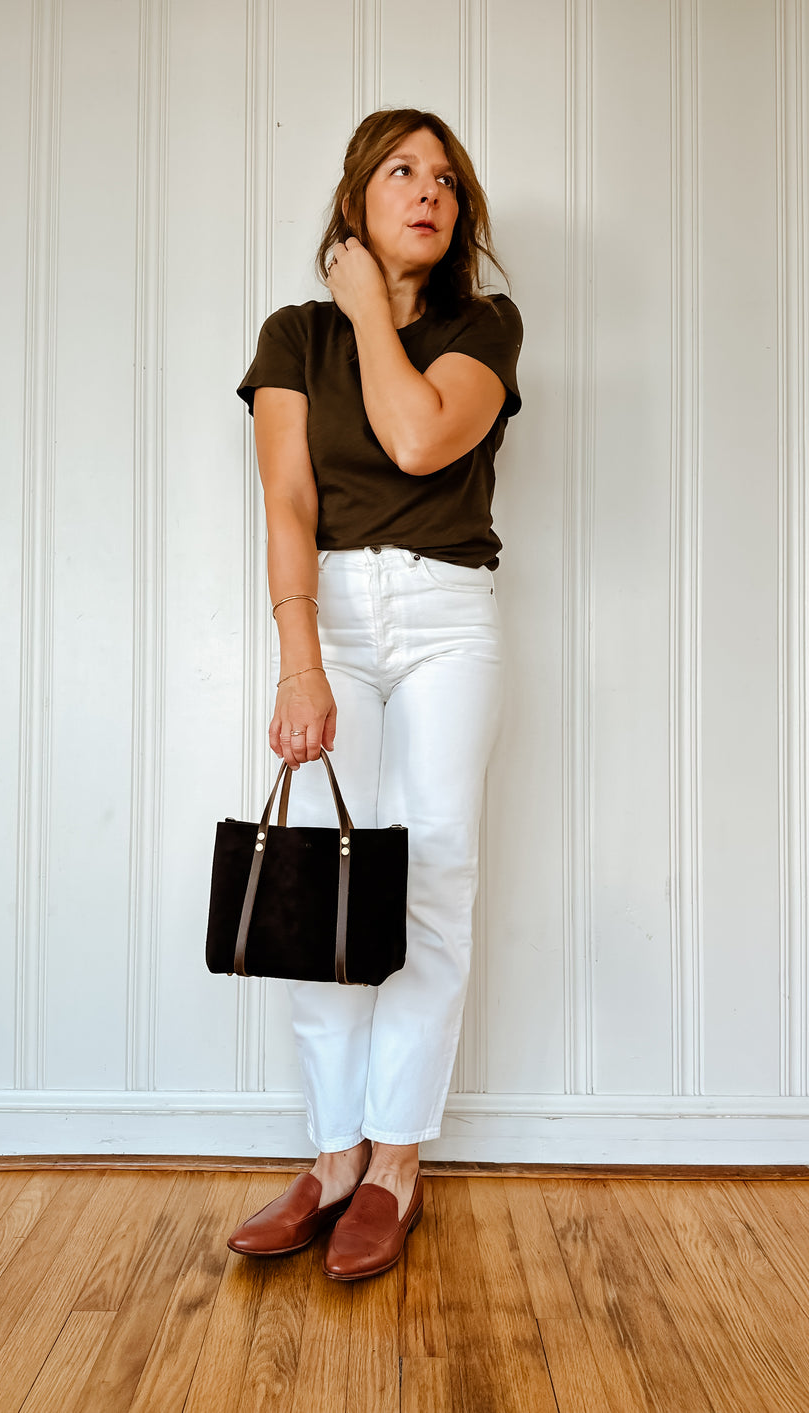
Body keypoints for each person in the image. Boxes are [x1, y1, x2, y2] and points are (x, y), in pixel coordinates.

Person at [226, 108, 523, 1280]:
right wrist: (300, 659)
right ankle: (332, 1152)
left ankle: (396, 1160)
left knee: (433, 870)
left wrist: (366, 308)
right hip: (333, 615)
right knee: (314, 884)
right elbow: (289, 507)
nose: (427, 191)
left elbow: (413, 443)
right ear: (356, 198)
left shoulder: (482, 327)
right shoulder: (291, 337)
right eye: (400, 171)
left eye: (445, 177)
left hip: (451, 614)